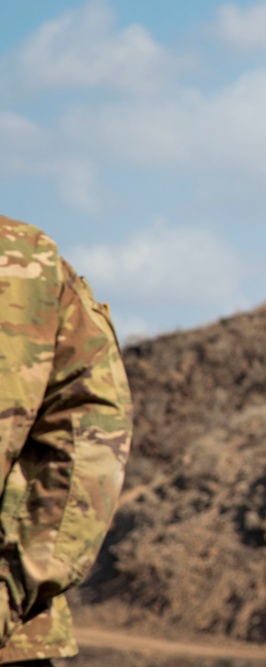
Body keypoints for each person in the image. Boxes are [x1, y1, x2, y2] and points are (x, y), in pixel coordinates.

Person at [0, 215, 132, 665]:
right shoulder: (25, 257)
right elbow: (91, 436)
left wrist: (13, 588)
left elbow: (88, 432)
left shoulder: (26, 259)